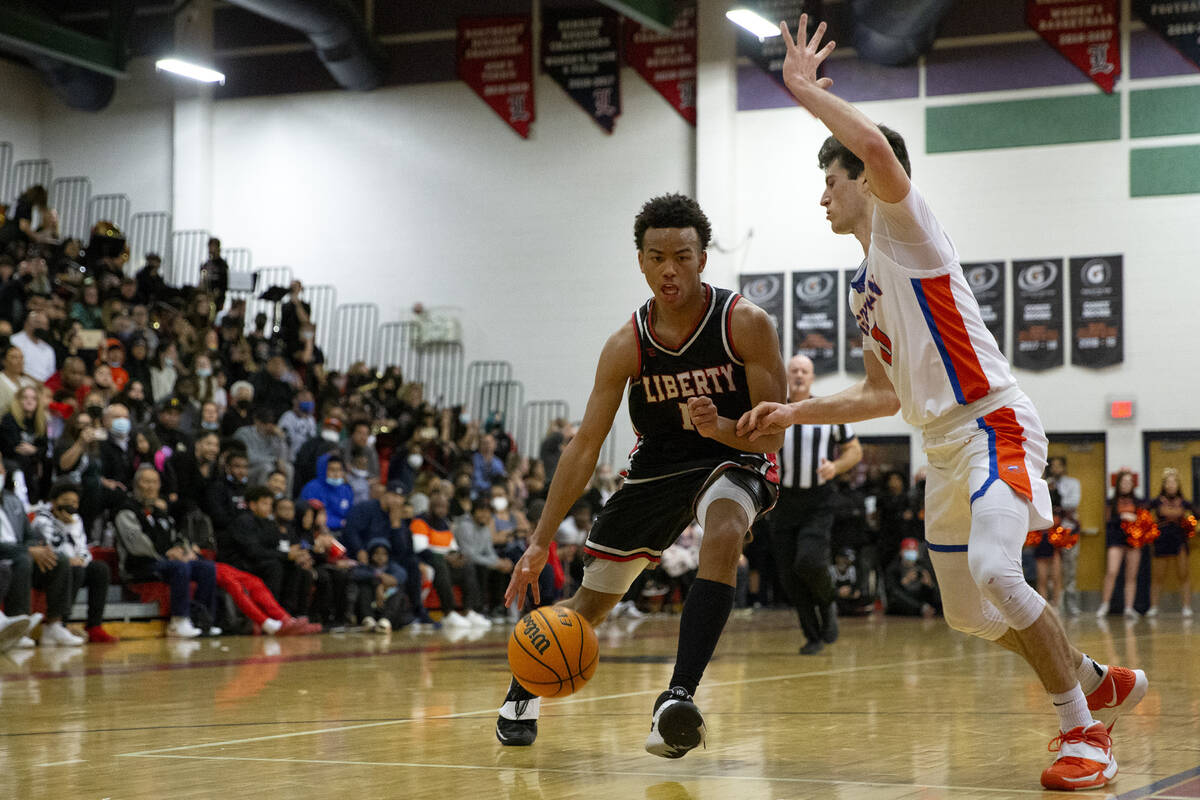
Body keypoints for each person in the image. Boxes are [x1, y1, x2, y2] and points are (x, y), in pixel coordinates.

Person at [737, 16, 1144, 790]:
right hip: (942, 450)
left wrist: (802, 93)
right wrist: (795, 414)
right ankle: (1090, 677)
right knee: (968, 613)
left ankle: (1084, 733)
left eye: (830, 179)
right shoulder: (863, 291)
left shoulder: (906, 231)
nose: (822, 195)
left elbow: (882, 149)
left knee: (998, 568)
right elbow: (880, 395)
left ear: (860, 177)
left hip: (993, 421)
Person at [497, 193, 786, 759]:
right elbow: (584, 447)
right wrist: (538, 542)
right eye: (657, 257)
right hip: (656, 466)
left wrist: (721, 426)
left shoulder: (746, 324)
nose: (669, 269)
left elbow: (772, 435)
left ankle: (677, 697)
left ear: (703, 258)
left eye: (682, 255)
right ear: (641, 261)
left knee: (725, 532)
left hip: (733, 454)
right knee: (589, 606)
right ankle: (524, 688)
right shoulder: (626, 344)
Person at [770, 353, 861, 655]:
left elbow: (854, 451)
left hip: (818, 500)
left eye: (804, 371)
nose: (798, 375)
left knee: (808, 561)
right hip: (782, 501)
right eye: (794, 370)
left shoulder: (828, 411)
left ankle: (828, 601)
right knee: (788, 575)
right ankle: (812, 635)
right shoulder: (774, 410)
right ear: (787, 375)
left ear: (812, 378)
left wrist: (835, 467)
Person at [114, 465, 219, 638]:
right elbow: (137, 546)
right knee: (179, 567)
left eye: (154, 482)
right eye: (146, 482)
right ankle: (179, 621)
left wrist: (184, 550)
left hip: (164, 562)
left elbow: (175, 537)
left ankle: (203, 620)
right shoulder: (125, 510)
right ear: (136, 484)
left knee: (206, 568)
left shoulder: (160, 512)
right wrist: (167, 555)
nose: (150, 486)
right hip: (139, 566)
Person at [31, 481, 117, 642]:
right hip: (47, 569)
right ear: (54, 502)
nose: (70, 506)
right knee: (73, 569)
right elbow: (50, 549)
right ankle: (59, 624)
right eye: (66, 501)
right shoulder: (41, 520)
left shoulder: (77, 520)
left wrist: (81, 559)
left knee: (100, 569)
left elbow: (83, 549)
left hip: (74, 566)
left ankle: (94, 626)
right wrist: (64, 527)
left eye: (74, 502)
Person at [1098, 469, 1145, 619]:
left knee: (1131, 575)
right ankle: (1105, 605)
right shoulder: (1111, 502)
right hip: (1116, 540)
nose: (1126, 484)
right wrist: (1121, 517)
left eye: (1129, 482)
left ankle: (1129, 607)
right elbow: (1108, 521)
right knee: (1112, 572)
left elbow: (1144, 522)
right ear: (1118, 484)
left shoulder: (1139, 502)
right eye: (1124, 482)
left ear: (1133, 484)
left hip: (1133, 542)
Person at [1149, 468, 1192, 617]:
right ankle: (1154, 607)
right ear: (1164, 484)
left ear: (1178, 484)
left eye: (1174, 482)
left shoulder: (1185, 502)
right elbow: (1143, 514)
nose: (1171, 485)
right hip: (1162, 540)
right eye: (1168, 482)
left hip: (1179, 539)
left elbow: (1195, 516)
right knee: (1158, 575)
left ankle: (1186, 606)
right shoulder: (1156, 501)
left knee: (1184, 573)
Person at [1047, 457, 1083, 616]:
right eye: (1053, 466)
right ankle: (1055, 603)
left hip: (1068, 530)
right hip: (1049, 529)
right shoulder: (1043, 483)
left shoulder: (1073, 483)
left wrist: (1055, 493)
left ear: (1064, 467)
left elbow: (1072, 502)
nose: (1056, 469)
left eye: (1059, 466)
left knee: (1070, 568)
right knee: (1051, 569)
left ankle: (1072, 604)